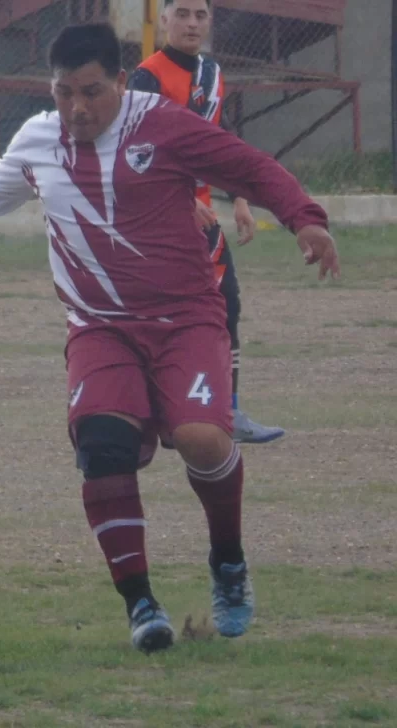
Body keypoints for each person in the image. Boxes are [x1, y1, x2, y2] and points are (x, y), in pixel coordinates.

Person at [0, 23, 339, 652]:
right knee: (102, 444)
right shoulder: (39, 140)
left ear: (120, 81)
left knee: (201, 438)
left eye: (91, 92)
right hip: (99, 326)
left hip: (185, 318)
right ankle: (141, 605)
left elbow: (249, 167)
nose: (76, 108)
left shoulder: (162, 126)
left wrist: (306, 219)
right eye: (63, 94)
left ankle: (227, 560)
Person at [129, 0, 285, 445]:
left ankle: (228, 411)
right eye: (182, 14)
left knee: (225, 305)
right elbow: (139, 151)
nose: (192, 23)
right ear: (163, 20)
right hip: (157, 218)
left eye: (201, 15)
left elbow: (220, 144)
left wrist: (239, 197)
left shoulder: (212, 74)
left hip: (202, 216)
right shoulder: (147, 76)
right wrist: (179, 199)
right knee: (161, 315)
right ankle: (157, 416)